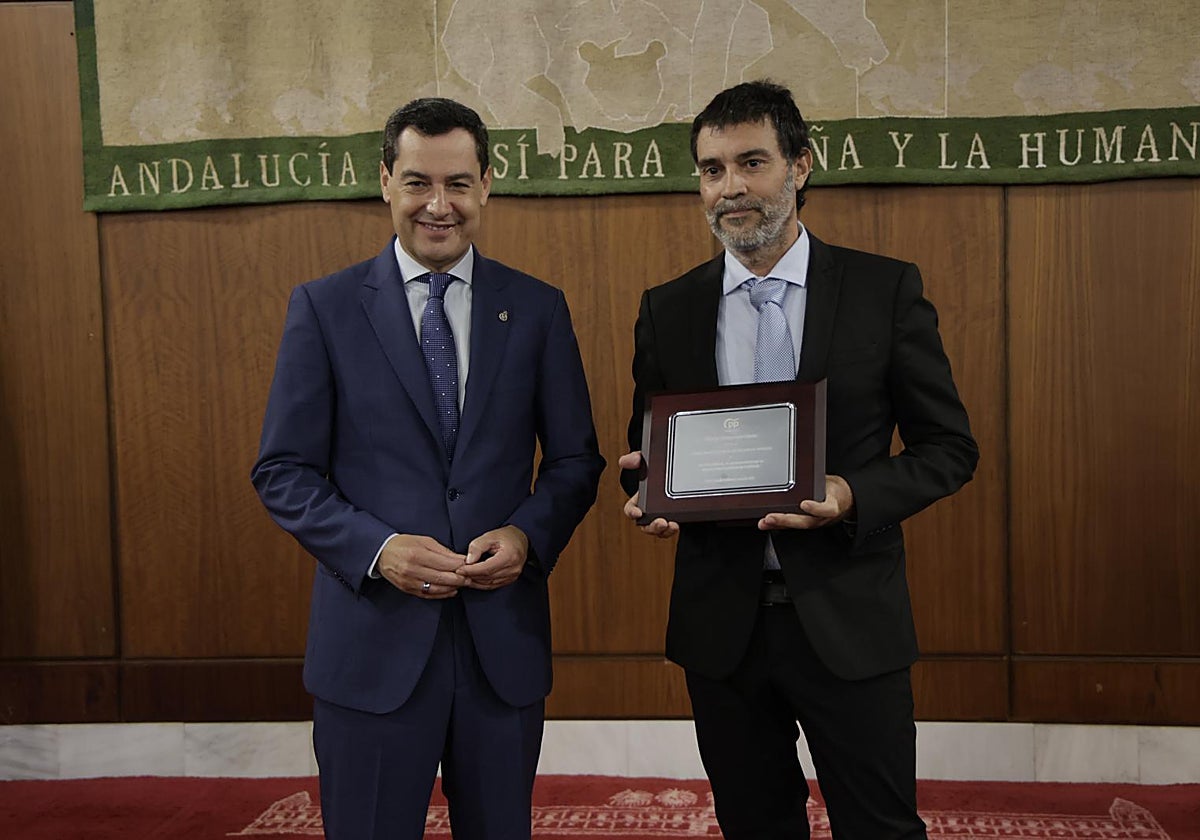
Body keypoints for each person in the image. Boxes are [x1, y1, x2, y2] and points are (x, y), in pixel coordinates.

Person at [619, 81, 978, 839]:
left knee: (880, 827)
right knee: (754, 826)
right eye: (713, 169)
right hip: (723, 628)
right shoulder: (669, 307)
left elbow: (949, 449)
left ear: (801, 167)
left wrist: (852, 492)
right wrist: (647, 488)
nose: (732, 187)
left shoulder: (883, 290)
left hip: (851, 617)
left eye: (752, 162)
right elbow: (648, 450)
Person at [252, 97, 605, 840]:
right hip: (371, 649)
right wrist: (379, 550)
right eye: (417, 182)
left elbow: (576, 460)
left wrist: (526, 537)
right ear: (385, 181)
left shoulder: (538, 309)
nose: (437, 205)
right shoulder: (324, 308)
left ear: (487, 186)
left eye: (457, 184)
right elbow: (283, 469)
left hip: (498, 651)